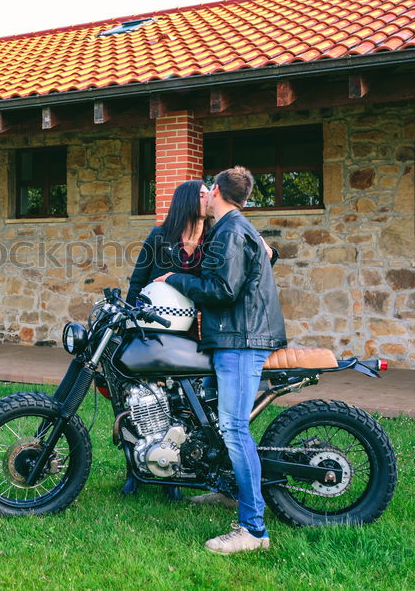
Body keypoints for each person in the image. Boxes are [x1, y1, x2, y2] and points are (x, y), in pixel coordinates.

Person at [155, 166, 286, 555]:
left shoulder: (231, 230)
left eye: (206, 190)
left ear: (215, 191)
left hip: (241, 340)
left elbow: (222, 290)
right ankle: (226, 491)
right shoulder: (234, 228)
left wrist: (174, 279)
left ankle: (253, 530)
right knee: (216, 422)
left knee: (233, 429)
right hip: (232, 336)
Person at [120, 180, 208, 500]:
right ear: (187, 200)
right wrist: (132, 322)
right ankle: (135, 469)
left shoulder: (212, 238)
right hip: (153, 331)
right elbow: (138, 280)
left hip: (190, 333)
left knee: (183, 401)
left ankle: (173, 470)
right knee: (143, 397)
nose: (208, 198)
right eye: (201, 194)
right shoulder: (160, 236)